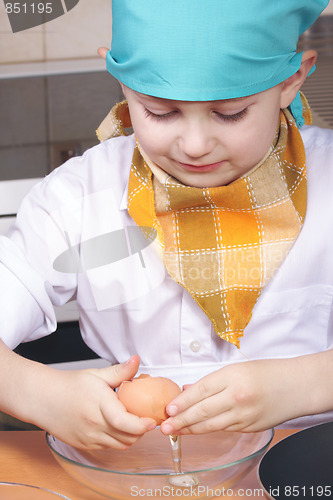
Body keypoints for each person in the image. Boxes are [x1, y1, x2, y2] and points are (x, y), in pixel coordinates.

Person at [0, 0, 333, 451]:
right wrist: (30, 390)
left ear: (291, 80)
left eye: (230, 113)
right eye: (160, 111)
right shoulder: (78, 197)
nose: (195, 145)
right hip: (139, 469)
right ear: (121, 82)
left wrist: (311, 383)